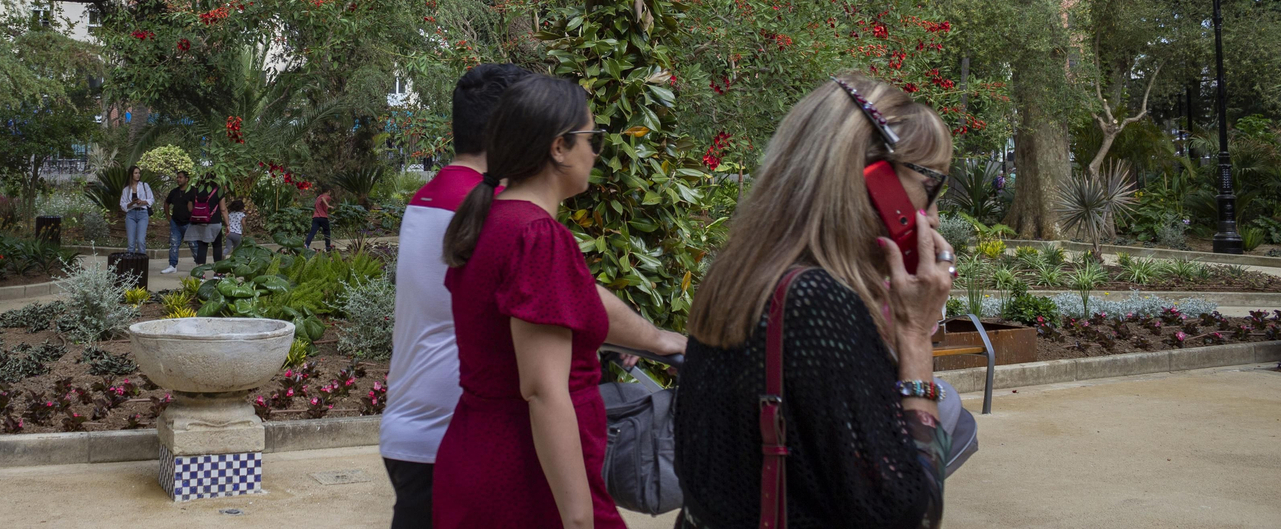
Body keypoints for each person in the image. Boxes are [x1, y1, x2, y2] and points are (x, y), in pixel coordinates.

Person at [672, 75, 957, 529]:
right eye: (932, 186)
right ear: (874, 177)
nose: (935, 215)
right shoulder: (817, 303)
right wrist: (915, 337)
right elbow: (911, 512)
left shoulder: (738, 276)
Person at [432, 75, 685, 529]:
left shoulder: (494, 220)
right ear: (558, 148)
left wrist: (658, 339)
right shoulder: (536, 236)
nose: (596, 152)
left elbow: (578, 298)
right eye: (594, 139)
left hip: (478, 454)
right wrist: (579, 518)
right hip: (528, 478)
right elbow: (542, 389)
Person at [381, 62, 531, 529]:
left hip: (410, 427)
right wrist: (657, 338)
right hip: (450, 434)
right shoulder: (486, 212)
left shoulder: (427, 199)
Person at [184, 177, 224, 265]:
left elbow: (190, 208)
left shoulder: (195, 190)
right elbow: (223, 209)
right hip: (215, 222)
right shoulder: (218, 190)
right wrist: (228, 224)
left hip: (199, 222)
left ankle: (200, 273)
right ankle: (218, 272)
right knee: (217, 246)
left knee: (202, 246)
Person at [162, 170, 193, 274]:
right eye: (177, 177)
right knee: (174, 244)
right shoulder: (174, 192)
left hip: (189, 223)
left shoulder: (193, 191)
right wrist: (168, 217)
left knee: (194, 244)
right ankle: (172, 265)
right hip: (175, 222)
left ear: (186, 179)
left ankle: (199, 264)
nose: (178, 179)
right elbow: (166, 203)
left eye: (180, 177)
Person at [119, 165, 153, 255]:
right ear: (131, 175)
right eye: (136, 173)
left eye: (139, 173)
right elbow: (123, 205)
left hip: (142, 213)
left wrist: (142, 202)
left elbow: (151, 199)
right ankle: (131, 265)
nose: (138, 175)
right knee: (131, 243)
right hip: (131, 214)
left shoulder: (144, 186)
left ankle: (142, 263)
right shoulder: (126, 189)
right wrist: (131, 203)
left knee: (141, 241)